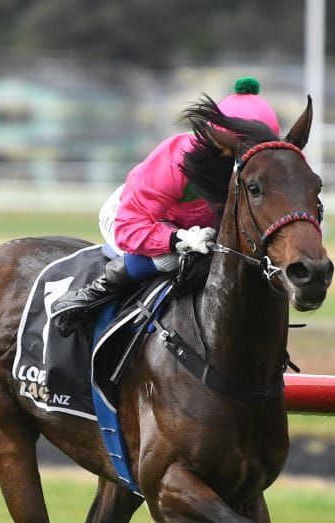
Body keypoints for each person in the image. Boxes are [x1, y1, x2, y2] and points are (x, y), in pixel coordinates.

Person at [52, 76, 280, 336]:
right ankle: (90, 296)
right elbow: (130, 227)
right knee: (172, 260)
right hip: (129, 218)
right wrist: (178, 239)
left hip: (194, 229)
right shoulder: (176, 159)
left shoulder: (266, 168)